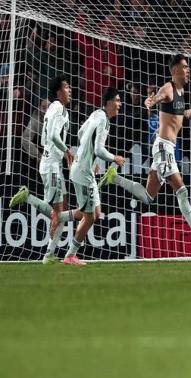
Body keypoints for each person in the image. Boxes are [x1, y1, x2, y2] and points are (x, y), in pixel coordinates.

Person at [99, 54, 191, 250]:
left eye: (188, 67)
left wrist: (188, 113)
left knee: (148, 196)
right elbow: (159, 97)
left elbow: (174, 114)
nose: (188, 70)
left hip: (164, 148)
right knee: (181, 190)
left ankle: (115, 178)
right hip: (163, 147)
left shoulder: (181, 92)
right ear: (174, 70)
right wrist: (151, 101)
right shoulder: (169, 88)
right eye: (184, 67)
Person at [9, 75, 84, 264]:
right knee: (56, 213)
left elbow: (46, 138)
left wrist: (61, 154)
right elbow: (51, 135)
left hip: (53, 164)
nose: (70, 90)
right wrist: (66, 151)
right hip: (51, 166)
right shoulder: (57, 108)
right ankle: (28, 197)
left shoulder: (57, 109)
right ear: (58, 92)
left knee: (61, 208)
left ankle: (50, 254)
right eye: (66, 87)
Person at [63, 87, 125, 266]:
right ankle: (70, 255)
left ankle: (59, 217)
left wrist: (91, 159)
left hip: (84, 168)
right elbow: (98, 149)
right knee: (89, 217)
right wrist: (114, 158)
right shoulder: (104, 120)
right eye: (117, 100)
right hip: (83, 172)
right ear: (108, 102)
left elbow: (80, 133)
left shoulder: (96, 114)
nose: (120, 104)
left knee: (95, 213)